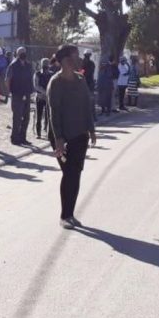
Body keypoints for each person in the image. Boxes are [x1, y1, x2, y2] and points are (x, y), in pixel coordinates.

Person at [47, 44, 97, 229]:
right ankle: (65, 215)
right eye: (76, 56)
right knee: (69, 173)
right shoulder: (56, 82)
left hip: (80, 135)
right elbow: (54, 113)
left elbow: (86, 106)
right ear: (67, 60)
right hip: (62, 137)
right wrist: (59, 139)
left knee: (75, 174)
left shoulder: (80, 79)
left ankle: (71, 214)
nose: (80, 59)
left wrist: (91, 129)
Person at [6, 46, 34, 145]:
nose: (23, 54)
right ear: (17, 54)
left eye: (24, 52)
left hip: (27, 93)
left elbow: (31, 78)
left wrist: (31, 91)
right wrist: (10, 92)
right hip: (17, 94)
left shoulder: (28, 65)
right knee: (17, 117)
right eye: (21, 52)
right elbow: (7, 80)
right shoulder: (13, 65)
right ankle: (15, 138)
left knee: (26, 117)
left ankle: (23, 138)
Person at [34, 57, 56, 138]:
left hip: (48, 98)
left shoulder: (51, 74)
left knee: (48, 116)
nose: (45, 67)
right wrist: (45, 91)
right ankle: (38, 133)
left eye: (46, 65)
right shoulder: (37, 74)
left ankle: (48, 132)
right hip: (40, 97)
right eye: (44, 65)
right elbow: (36, 86)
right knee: (39, 116)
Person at [82, 50, 97, 119]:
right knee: (90, 100)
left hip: (86, 83)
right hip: (88, 83)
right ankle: (92, 116)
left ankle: (92, 116)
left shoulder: (84, 63)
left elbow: (82, 73)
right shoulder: (90, 63)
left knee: (90, 100)